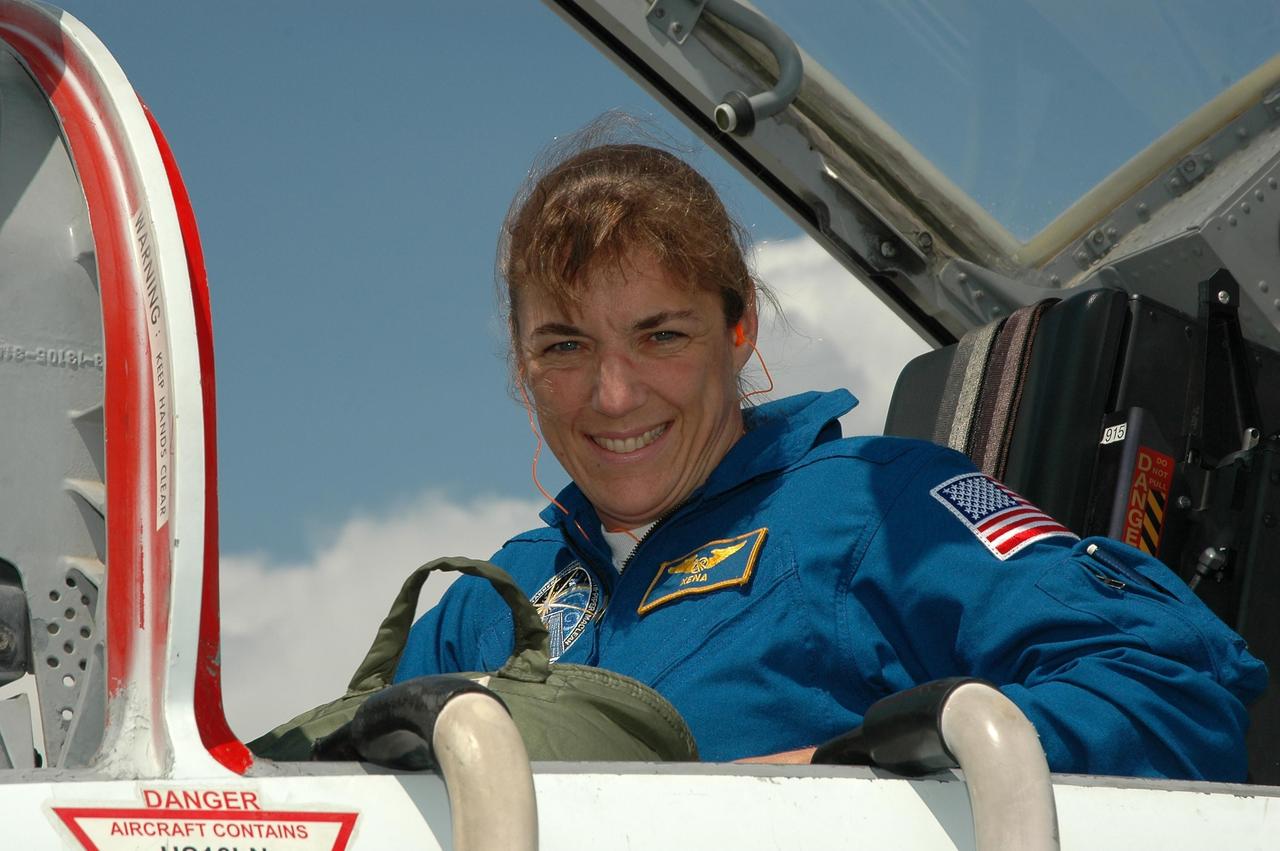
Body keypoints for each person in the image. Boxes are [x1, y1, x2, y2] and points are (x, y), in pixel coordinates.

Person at [395, 137, 1266, 780]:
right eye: (566, 347)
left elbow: (1173, 685)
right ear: (521, 364)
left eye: (660, 335)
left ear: (740, 333)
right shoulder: (485, 604)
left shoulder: (876, 512)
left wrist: (845, 772)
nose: (614, 395)